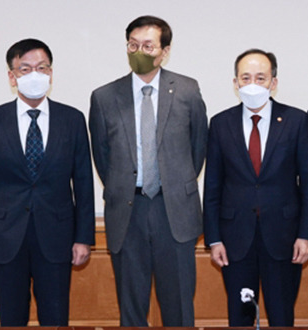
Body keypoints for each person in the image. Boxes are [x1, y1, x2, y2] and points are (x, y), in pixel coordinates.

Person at [89, 15, 208, 326]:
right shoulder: (104, 97)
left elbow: (197, 148)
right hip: (128, 212)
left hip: (175, 211)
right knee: (131, 308)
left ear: (164, 51)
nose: (139, 51)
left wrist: (172, 181)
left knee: (180, 307)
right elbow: (103, 157)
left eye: (148, 46)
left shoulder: (187, 90)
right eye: (133, 44)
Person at [0, 38, 95, 326]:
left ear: (51, 73)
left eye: (41, 67)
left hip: (57, 237)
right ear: (11, 77)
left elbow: (84, 184)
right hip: (4, 237)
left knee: (55, 318)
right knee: (12, 319)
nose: (34, 74)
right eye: (25, 69)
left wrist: (83, 237)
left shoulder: (72, 119)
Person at [203, 49, 308, 326]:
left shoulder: (296, 121)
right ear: (235, 83)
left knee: (281, 317)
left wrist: (307, 235)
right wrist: (214, 238)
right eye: (246, 77)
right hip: (235, 240)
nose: (253, 84)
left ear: (273, 82)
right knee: (241, 317)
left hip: (285, 238)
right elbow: (213, 186)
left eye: (260, 77)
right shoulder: (220, 124)